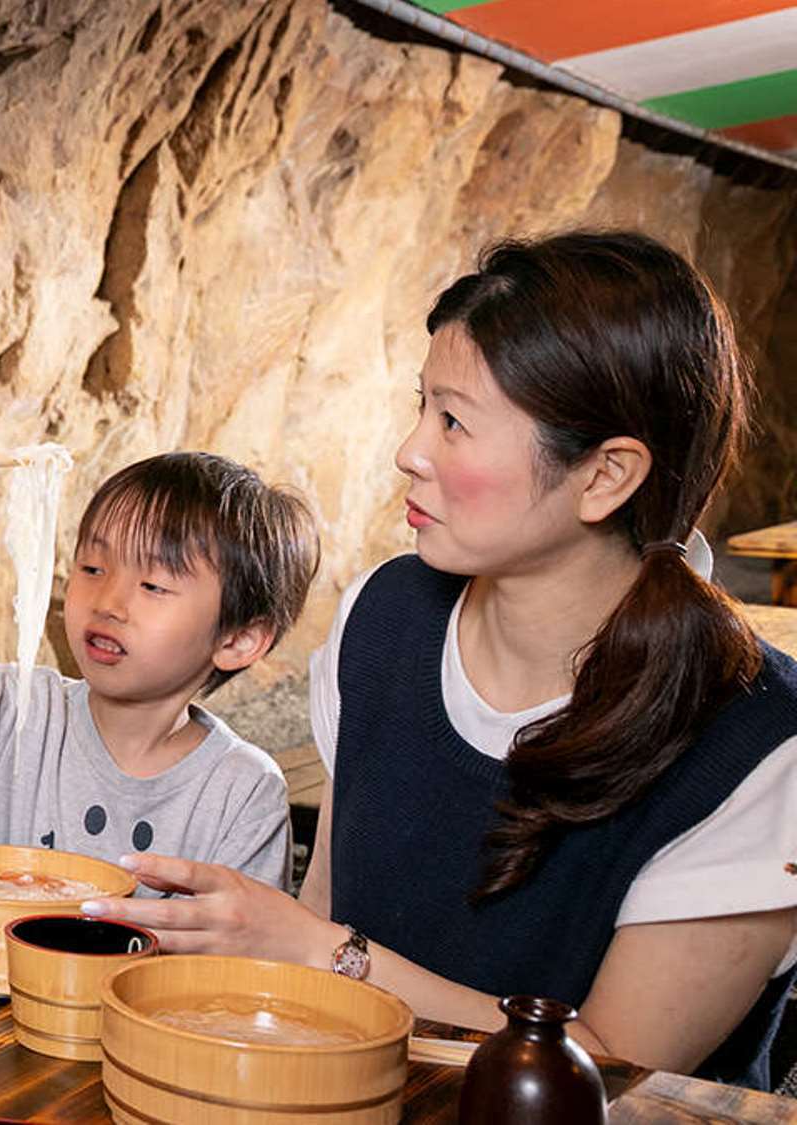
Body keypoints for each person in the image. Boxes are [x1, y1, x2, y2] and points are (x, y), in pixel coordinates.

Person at [80, 232, 797, 1088]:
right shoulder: (385, 618)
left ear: (606, 475)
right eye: (421, 405)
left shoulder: (758, 745)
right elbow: (325, 927)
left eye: (453, 420)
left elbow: (616, 1073)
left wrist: (325, 953)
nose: (410, 451)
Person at [0, 442, 318, 889]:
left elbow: (238, 953)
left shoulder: (241, 790)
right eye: (93, 568)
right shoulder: (19, 712)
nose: (109, 603)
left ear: (237, 641)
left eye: (153, 585)